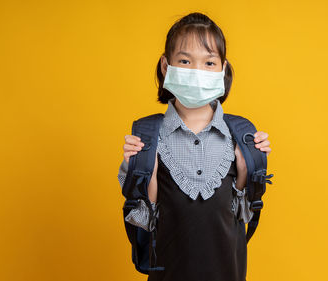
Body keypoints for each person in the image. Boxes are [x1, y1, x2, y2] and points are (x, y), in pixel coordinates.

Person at [117, 12, 272, 281]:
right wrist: (142, 175)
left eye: (209, 62)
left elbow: (242, 216)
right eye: (185, 61)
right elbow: (145, 224)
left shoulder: (242, 136)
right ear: (166, 66)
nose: (197, 72)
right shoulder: (147, 139)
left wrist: (248, 168)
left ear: (222, 70)